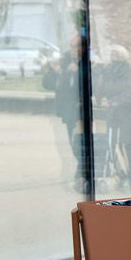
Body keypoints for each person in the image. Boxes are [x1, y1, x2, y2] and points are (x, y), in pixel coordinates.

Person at [42, 35, 88, 193]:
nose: (75, 50)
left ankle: (80, 175)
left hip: (83, 111)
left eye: (78, 46)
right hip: (67, 112)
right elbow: (49, 85)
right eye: (72, 46)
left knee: (80, 144)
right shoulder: (65, 62)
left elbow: (90, 85)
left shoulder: (88, 63)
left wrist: (77, 73)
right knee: (71, 145)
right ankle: (79, 173)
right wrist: (52, 71)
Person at [100, 44, 131, 191]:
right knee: (112, 147)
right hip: (113, 114)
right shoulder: (107, 70)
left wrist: (115, 101)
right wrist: (101, 98)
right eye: (112, 53)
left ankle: (130, 180)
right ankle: (119, 176)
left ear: (124, 56)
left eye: (116, 54)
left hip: (127, 116)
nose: (113, 56)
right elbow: (102, 88)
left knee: (126, 148)